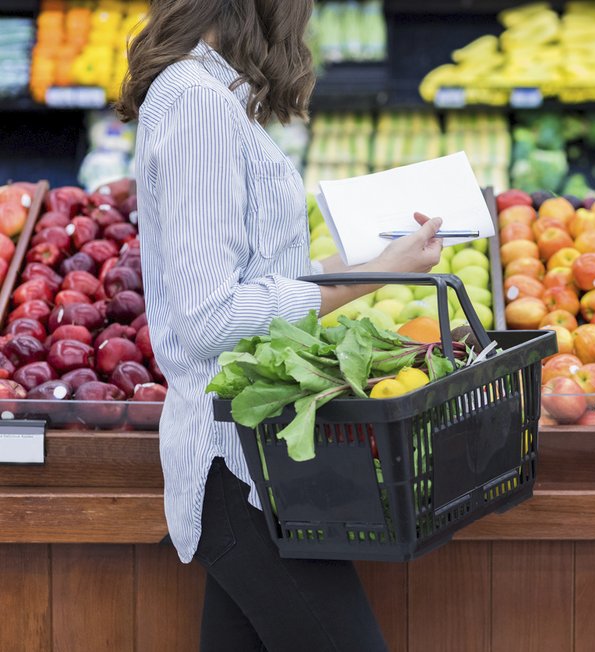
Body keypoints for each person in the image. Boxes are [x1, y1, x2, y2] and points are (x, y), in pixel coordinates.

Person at [117, 2, 443, 650]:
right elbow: (210, 315)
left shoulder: (206, 94)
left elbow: (258, 277)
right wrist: (370, 279)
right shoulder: (197, 107)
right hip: (238, 467)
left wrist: (376, 261)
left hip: (260, 461)